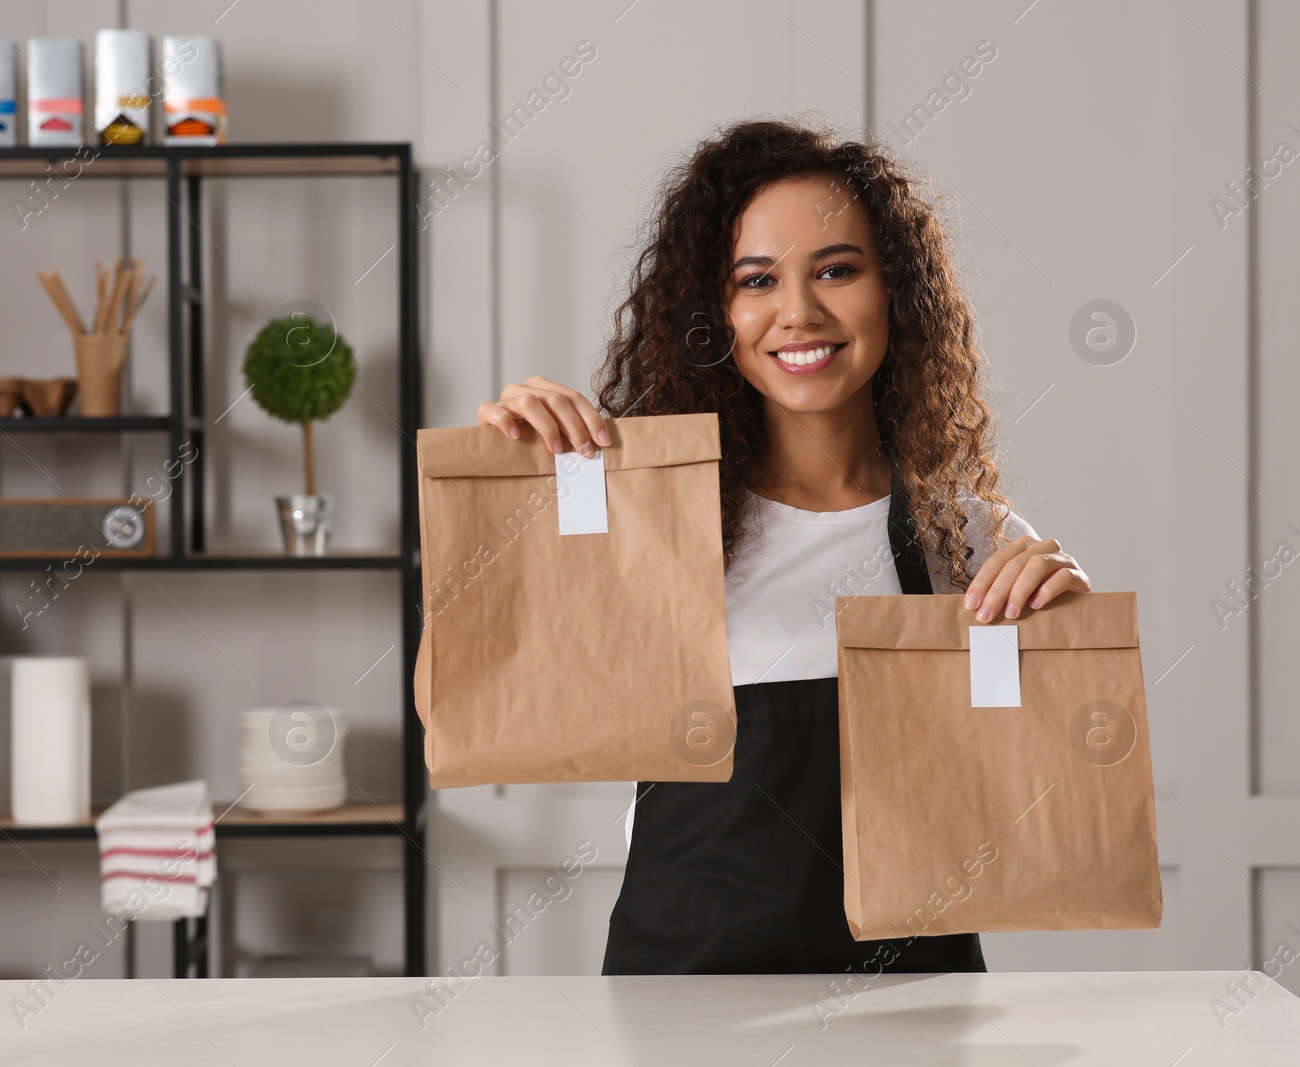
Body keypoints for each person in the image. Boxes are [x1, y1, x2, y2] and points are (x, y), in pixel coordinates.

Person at [413, 117, 1090, 975]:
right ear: (715, 313)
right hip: (686, 1007)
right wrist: (515, 511)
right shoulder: (648, 522)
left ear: (896, 292)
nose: (799, 311)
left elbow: (1037, 803)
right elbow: (456, 711)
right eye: (757, 279)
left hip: (913, 1013)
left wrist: (1065, 644)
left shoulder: (970, 540)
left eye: (837, 269)